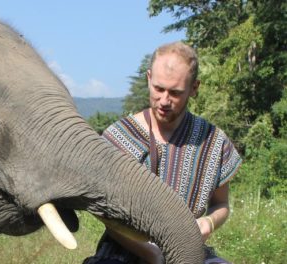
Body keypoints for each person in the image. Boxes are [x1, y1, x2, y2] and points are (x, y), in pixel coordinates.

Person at [84, 42, 242, 264]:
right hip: (121, 252)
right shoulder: (117, 137)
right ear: (149, 78)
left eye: (175, 93)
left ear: (194, 88)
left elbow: (221, 205)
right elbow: (99, 208)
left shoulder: (213, 142)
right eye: (158, 89)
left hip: (188, 252)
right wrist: (149, 252)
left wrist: (209, 222)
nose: (164, 101)